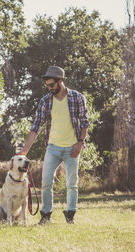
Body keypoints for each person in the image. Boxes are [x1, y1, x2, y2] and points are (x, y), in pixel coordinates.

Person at [17, 66, 89, 224]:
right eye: (47, 85)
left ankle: (70, 215)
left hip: (72, 148)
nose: (49, 88)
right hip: (53, 148)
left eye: (52, 85)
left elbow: (84, 122)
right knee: (46, 182)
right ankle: (46, 216)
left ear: (60, 81)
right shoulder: (45, 101)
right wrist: (24, 150)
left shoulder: (77, 98)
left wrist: (80, 143)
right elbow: (36, 126)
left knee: (72, 184)